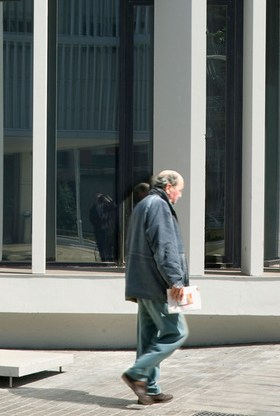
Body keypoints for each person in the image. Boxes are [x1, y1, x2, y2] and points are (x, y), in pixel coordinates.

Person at [122, 170, 189, 405]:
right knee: (177, 332)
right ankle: (136, 374)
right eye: (179, 190)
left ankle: (149, 389)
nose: (180, 195)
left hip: (142, 282)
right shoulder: (159, 205)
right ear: (169, 187)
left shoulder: (143, 205)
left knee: (148, 337)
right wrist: (175, 280)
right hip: (155, 283)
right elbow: (165, 246)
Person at [89, 193, 117, 261]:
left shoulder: (107, 207)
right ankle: (103, 261)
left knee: (110, 249)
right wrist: (102, 218)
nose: (99, 201)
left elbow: (115, 208)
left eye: (100, 199)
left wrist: (108, 200)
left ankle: (110, 260)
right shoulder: (93, 210)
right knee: (102, 249)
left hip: (108, 232)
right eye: (98, 199)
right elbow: (93, 221)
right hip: (100, 232)